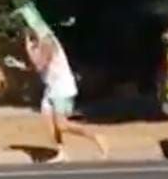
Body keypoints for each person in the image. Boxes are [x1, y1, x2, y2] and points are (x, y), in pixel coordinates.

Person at [21, 28, 108, 163]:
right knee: (49, 122)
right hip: (51, 88)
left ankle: (97, 137)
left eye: (30, 35)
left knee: (62, 125)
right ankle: (61, 152)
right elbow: (40, 67)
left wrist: (28, 49)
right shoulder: (39, 46)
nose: (29, 37)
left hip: (62, 88)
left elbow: (40, 64)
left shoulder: (49, 43)